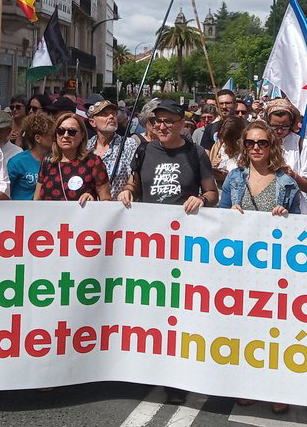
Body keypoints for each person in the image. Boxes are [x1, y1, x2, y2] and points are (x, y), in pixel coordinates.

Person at [117, 99, 217, 405]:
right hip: (150, 245)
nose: (162, 126)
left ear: (182, 124)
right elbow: (135, 184)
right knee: (151, 308)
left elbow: (212, 192)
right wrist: (127, 192)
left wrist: (202, 200)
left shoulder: (196, 153)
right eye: (156, 121)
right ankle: (150, 368)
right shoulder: (143, 151)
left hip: (184, 246)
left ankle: (177, 377)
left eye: (169, 121)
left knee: (178, 313)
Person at [219, 120, 302, 217]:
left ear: (272, 146)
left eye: (262, 143)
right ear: (244, 147)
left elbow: (296, 221)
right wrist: (229, 213)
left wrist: (286, 216)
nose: (255, 147)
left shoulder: (288, 184)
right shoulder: (233, 177)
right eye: (249, 143)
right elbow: (221, 215)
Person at [35, 112, 110, 203]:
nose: (66, 135)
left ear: (82, 135)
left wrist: (91, 200)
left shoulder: (94, 162)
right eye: (61, 131)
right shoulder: (47, 162)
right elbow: (37, 200)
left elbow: (106, 200)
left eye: (72, 132)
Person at [264, 99, 307, 209]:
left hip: (294, 207)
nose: (279, 131)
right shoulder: (259, 142)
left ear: (291, 123)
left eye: (284, 127)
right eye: (274, 127)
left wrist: (293, 175)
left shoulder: (303, 145)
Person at [86, 100, 137, 199]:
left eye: (114, 113)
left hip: (119, 206)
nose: (111, 117)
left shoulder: (128, 144)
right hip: (92, 206)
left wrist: (128, 190)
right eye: (104, 114)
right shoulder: (86, 147)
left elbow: (134, 175)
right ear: (92, 122)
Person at [8, 113, 55, 201]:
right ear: (38, 138)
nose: (56, 138)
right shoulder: (17, 162)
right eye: (52, 135)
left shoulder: (57, 161)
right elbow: (5, 192)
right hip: (20, 209)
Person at [209, 115, 244, 184]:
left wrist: (227, 176)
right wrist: (214, 166)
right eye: (223, 139)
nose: (225, 143)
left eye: (228, 141)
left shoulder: (246, 153)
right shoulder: (219, 147)